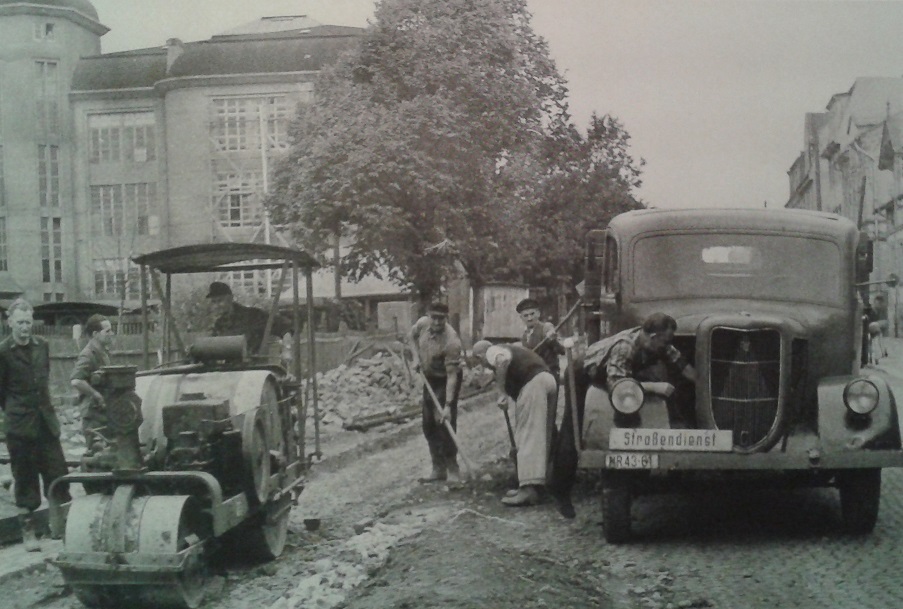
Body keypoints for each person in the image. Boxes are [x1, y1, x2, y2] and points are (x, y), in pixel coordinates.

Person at [548, 312, 696, 519]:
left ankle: (634, 481)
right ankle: (560, 491)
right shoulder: (625, 347)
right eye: (665, 342)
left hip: (621, 375)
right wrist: (655, 387)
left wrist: (702, 384)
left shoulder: (660, 342)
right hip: (586, 373)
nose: (667, 346)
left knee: (634, 419)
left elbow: (683, 366)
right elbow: (618, 387)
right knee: (573, 428)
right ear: (653, 337)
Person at [0, 298, 72, 551]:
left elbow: (44, 381)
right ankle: (29, 532)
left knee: (58, 473)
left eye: (28, 322)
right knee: (25, 478)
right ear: (10, 323)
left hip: (45, 424)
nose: (24, 327)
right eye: (20, 322)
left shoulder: (42, 345)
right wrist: (16, 411)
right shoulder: (3, 352)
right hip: (20, 427)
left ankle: (61, 526)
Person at [472, 339, 558, 507]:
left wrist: (501, 393)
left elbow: (502, 360)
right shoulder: (511, 350)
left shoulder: (492, 351)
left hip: (534, 383)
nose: (482, 365)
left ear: (479, 356)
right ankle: (540, 485)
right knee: (543, 435)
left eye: (479, 362)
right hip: (548, 380)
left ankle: (528, 489)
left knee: (527, 434)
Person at [409, 302, 464, 485]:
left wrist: (448, 405)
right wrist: (416, 357)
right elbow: (411, 336)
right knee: (428, 424)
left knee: (444, 423)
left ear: (446, 318)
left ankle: (453, 468)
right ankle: (438, 468)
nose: (437, 322)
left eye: (441, 318)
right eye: (434, 317)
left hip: (446, 380)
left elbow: (452, 376)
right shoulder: (422, 324)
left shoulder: (451, 341)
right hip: (430, 378)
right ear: (428, 315)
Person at [206, 281, 293, 356]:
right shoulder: (219, 324)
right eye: (214, 302)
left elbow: (286, 327)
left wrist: (287, 350)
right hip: (229, 367)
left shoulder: (254, 315)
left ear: (230, 298)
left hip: (255, 366)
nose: (217, 305)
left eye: (220, 301)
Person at [70, 314, 114, 454]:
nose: (111, 334)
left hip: (104, 412)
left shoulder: (104, 352)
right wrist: (96, 395)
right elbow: (76, 380)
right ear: (95, 334)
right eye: (107, 331)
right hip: (93, 414)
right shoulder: (88, 354)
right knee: (97, 454)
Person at [516, 298, 565, 380]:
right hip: (534, 375)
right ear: (521, 318)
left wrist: (553, 340)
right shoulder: (524, 335)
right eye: (526, 316)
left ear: (538, 313)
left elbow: (562, 350)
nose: (529, 318)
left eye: (532, 314)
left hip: (549, 373)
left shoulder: (546, 327)